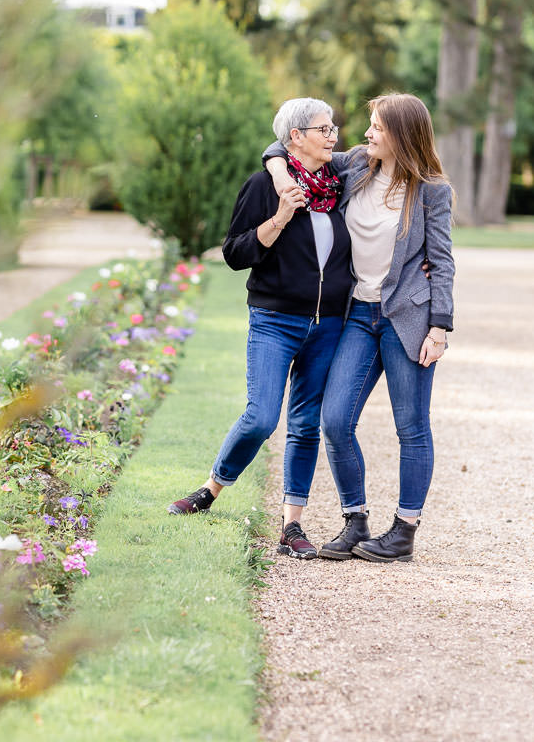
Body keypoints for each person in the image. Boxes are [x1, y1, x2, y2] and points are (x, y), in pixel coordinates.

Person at [262, 92, 455, 562]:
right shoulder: (354, 166)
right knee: (334, 420)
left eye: (377, 128)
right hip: (358, 314)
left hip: (406, 319)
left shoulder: (431, 189)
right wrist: (280, 174)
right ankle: (356, 520)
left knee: (411, 427)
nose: (366, 134)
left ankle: (404, 531)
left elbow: (443, 261)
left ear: (401, 136)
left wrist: (440, 326)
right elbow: (277, 149)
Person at [167, 97, 354, 562]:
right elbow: (234, 254)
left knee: (305, 423)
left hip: (329, 323)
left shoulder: (341, 184)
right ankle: (210, 489)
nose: (334, 136)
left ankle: (292, 524)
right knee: (261, 417)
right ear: (296, 137)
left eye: (334, 128)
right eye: (324, 129)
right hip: (275, 320)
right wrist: (281, 215)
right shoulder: (264, 186)